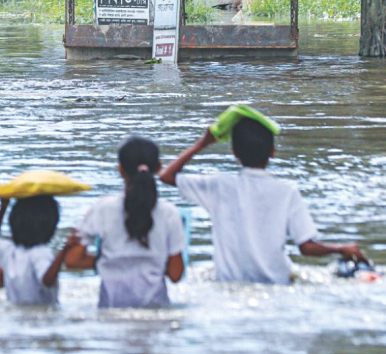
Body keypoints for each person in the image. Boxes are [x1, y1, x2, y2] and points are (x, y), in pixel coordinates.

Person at [158, 118, 368, 284]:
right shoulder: (287, 191)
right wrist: (342, 248)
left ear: (234, 154)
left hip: (228, 285)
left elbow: (166, 175)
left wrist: (203, 142)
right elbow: (306, 247)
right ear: (273, 152)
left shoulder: (219, 186)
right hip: (278, 284)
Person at [65, 137, 185, 308]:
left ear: (120, 170)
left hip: (110, 312)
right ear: (158, 168)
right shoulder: (169, 213)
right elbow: (175, 274)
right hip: (158, 314)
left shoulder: (102, 208)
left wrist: (109, 261)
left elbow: (72, 260)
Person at [0, 196, 79, 305]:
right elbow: (47, 281)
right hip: (43, 318)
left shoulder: (9, 251)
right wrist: (64, 250)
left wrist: (3, 208)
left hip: (14, 315)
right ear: (50, 228)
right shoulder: (41, 253)